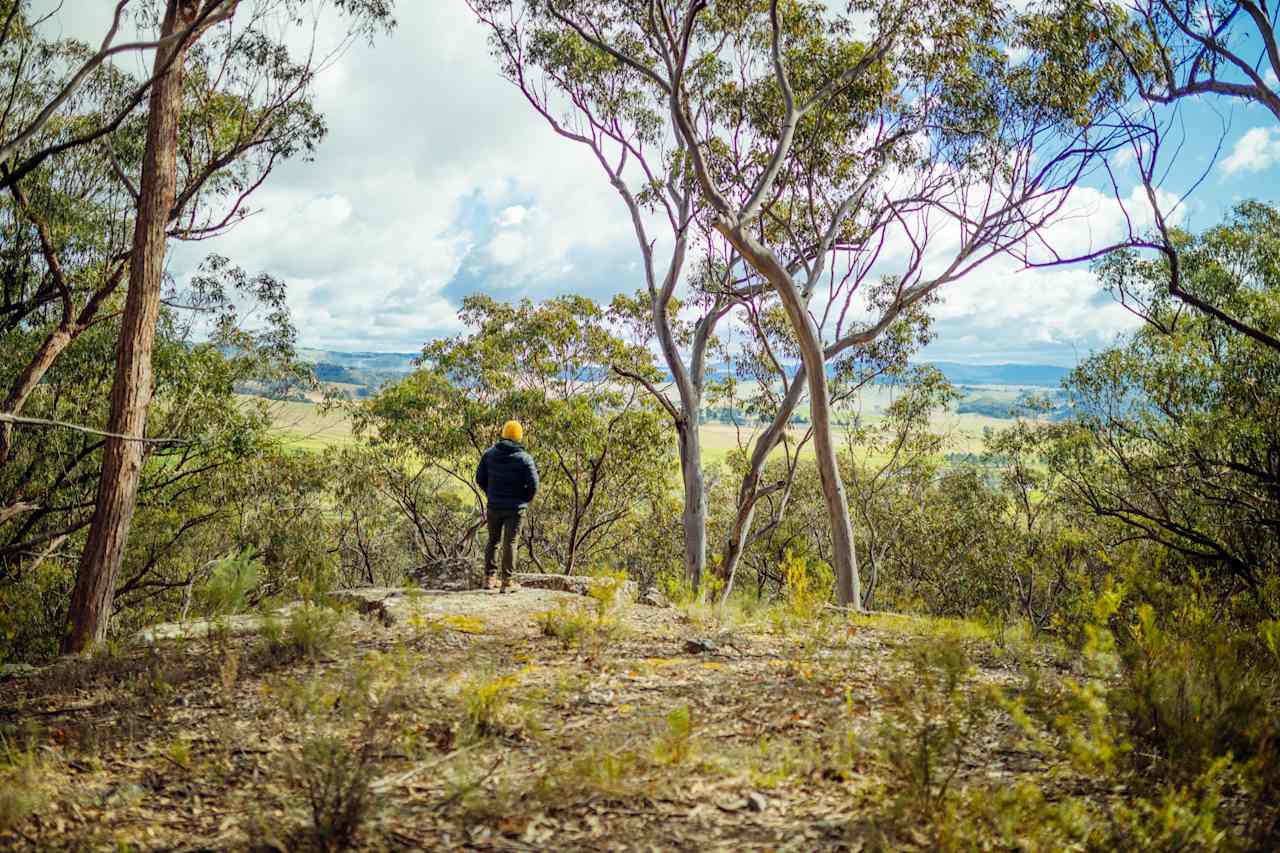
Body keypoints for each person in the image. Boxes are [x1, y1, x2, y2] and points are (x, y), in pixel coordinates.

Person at [475, 420, 539, 592]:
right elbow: (534, 486)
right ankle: (507, 582)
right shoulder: (525, 458)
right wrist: (524, 499)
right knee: (510, 542)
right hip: (516, 508)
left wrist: (491, 493)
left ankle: (489, 579)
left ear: (503, 434)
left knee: (493, 540)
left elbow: (479, 478)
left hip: (494, 506)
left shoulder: (489, 454)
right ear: (519, 437)